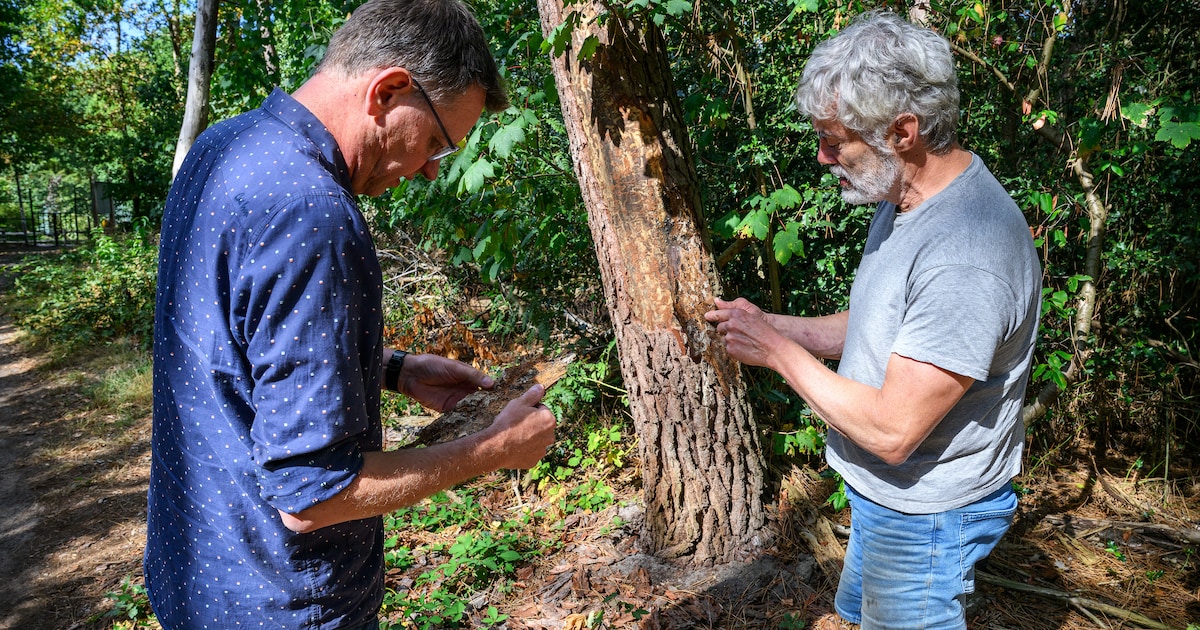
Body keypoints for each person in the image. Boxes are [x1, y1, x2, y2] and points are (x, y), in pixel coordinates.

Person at [146, 0, 557, 627]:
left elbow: (228, 344)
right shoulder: (313, 211)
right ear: (389, 90)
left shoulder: (224, 147)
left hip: (193, 577)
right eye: (437, 143)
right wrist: (493, 447)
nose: (426, 172)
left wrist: (390, 369)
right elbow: (313, 497)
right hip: (280, 601)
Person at [704, 12, 1041, 630]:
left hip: (926, 516)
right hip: (888, 501)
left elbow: (892, 430)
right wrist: (768, 325)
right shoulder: (903, 198)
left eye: (835, 140)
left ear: (903, 131)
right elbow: (877, 324)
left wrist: (779, 353)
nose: (821, 155)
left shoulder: (965, 255)